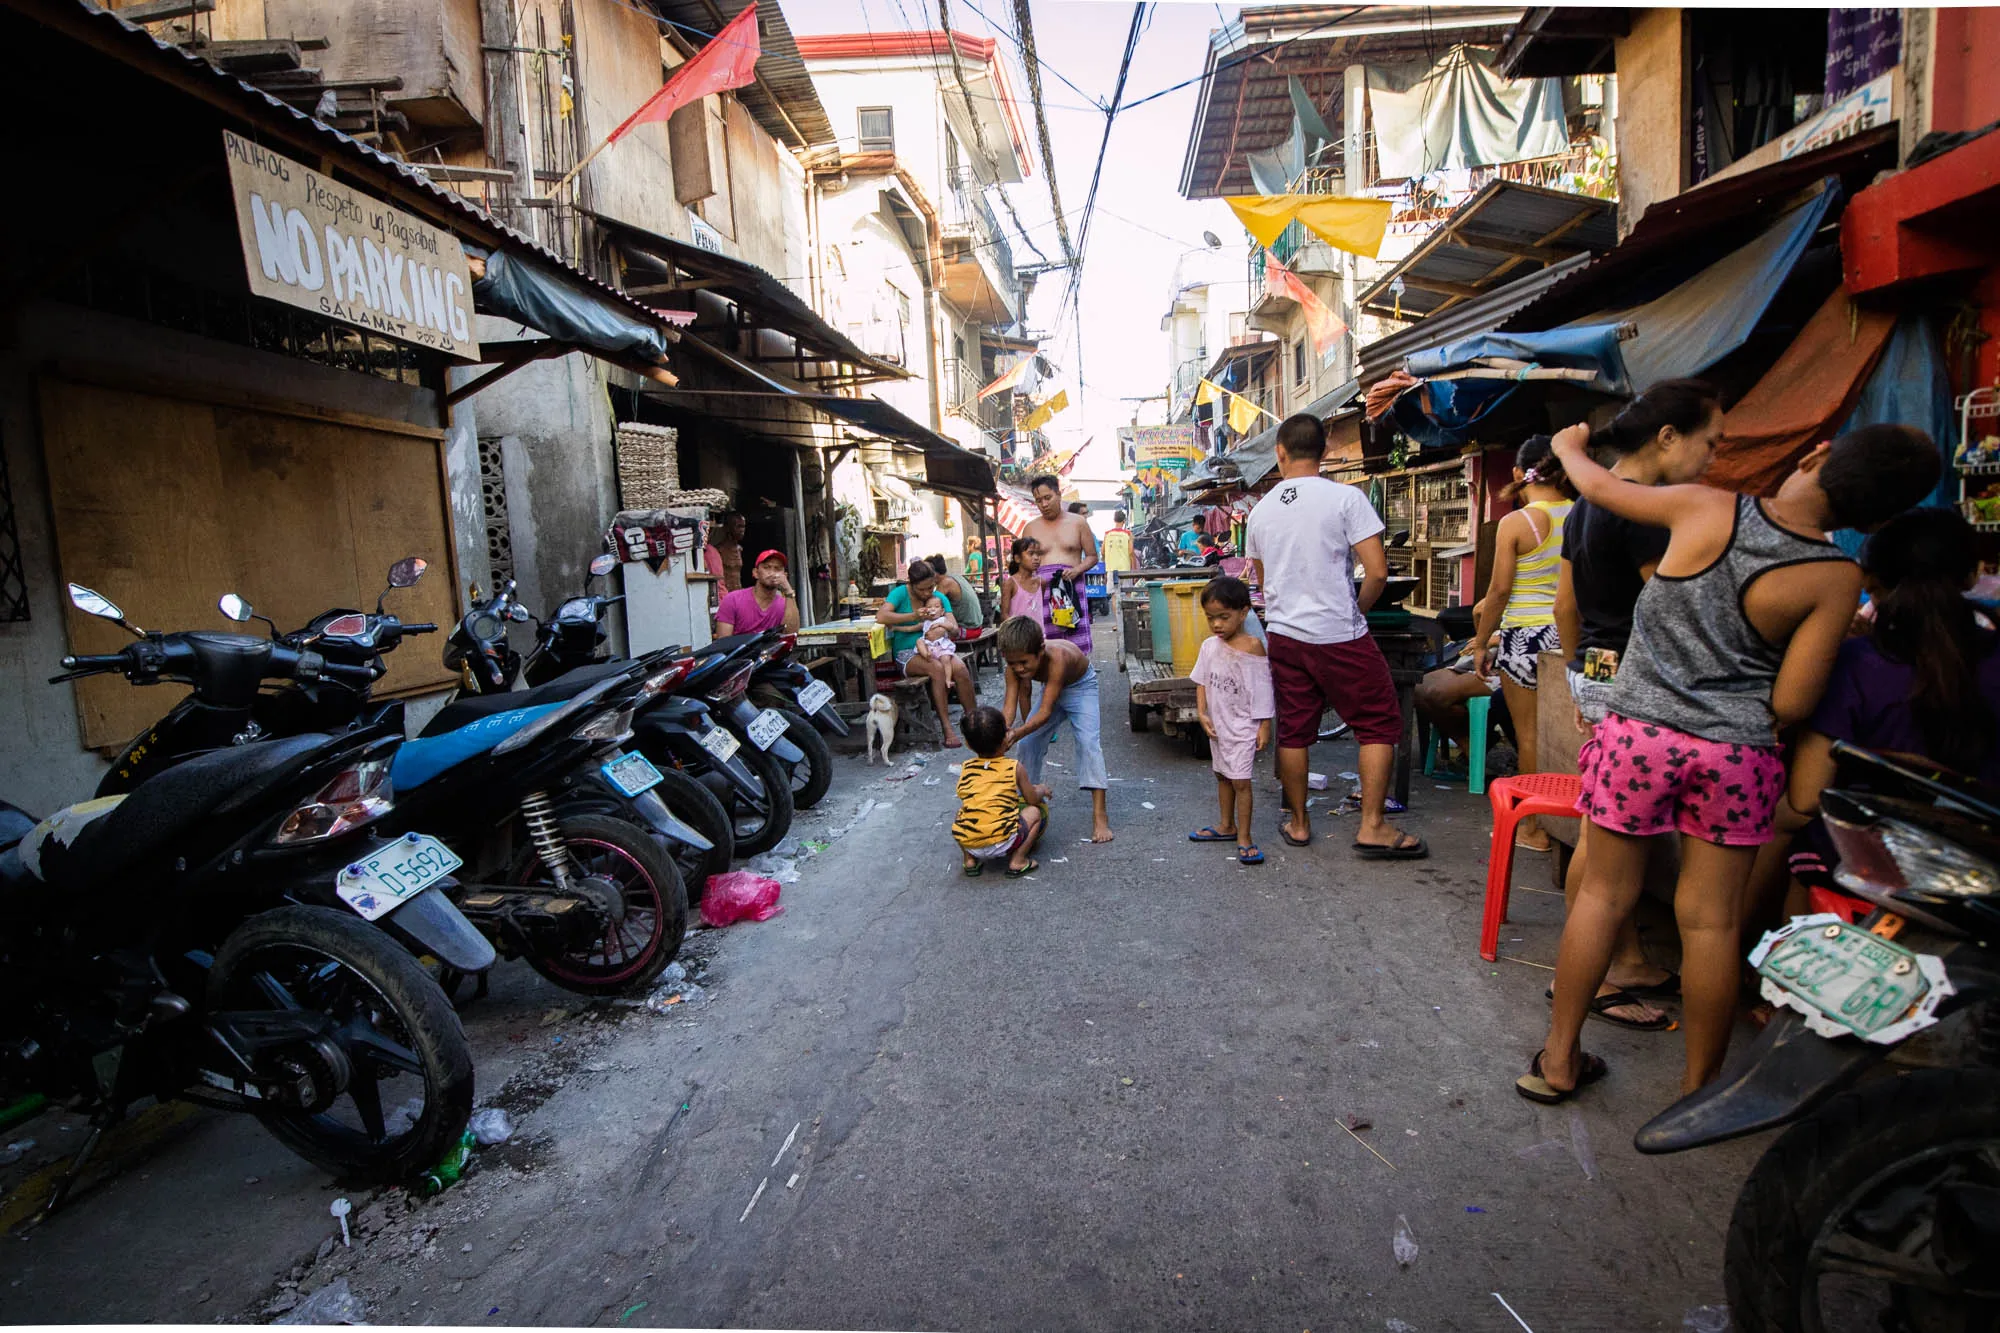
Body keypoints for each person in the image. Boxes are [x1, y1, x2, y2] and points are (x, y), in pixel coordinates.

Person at [1520, 421, 1942, 1104]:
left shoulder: (1707, 505)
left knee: (1601, 894)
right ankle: (1698, 1092)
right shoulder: (1836, 576)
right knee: (1710, 922)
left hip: (1637, 738)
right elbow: (1794, 698)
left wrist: (1567, 448)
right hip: (1736, 753)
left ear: (1815, 454)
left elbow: (1599, 485)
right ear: (1879, 516)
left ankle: (1559, 1060)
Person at [1552, 379, 1724, 1030]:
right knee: (1608, 851)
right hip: (1639, 682)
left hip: (1599, 671)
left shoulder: (1585, 506)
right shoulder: (1646, 508)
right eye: (1711, 442)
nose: (1712, 457)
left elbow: (1567, 608)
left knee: (1602, 839)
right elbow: (1669, 609)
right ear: (1669, 437)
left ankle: (1607, 958)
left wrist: (1581, 682)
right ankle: (1613, 965)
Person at [1245, 413, 1423, 859]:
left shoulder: (1261, 511)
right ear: (1324, 452)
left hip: (1285, 634)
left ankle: (1300, 824)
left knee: (1295, 731)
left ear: (1279, 454)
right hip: (1339, 633)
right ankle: (1373, 827)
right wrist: (1356, 611)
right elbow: (1378, 573)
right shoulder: (1347, 498)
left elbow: (1264, 585)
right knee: (1379, 722)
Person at [1471, 436, 1576, 853]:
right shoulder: (1582, 513)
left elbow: (1498, 591)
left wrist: (1481, 642)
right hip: (1568, 635)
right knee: (1569, 734)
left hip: (1524, 637)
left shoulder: (1518, 523)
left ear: (1519, 474)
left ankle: (1532, 827)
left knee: (1530, 734)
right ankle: (1569, 819)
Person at [999, 614, 1113, 843]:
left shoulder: (1057, 658)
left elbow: (1044, 713)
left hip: (1081, 686)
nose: (1019, 669)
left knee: (1088, 743)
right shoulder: (1013, 666)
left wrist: (1017, 732)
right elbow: (1009, 707)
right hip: (1051, 687)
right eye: (1013, 664)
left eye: (1024, 663)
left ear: (1040, 651)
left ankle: (1100, 816)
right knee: (1028, 744)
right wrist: (1001, 733)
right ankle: (1026, 800)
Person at [1187, 576, 1274, 866]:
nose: (1217, 625)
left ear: (1243, 612)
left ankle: (1245, 837)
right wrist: (1202, 713)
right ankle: (1226, 825)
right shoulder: (1209, 646)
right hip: (1219, 726)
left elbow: (1262, 689)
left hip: (1242, 727)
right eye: (1211, 618)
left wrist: (1264, 724)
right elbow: (1200, 681)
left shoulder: (1252, 648)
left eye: (1224, 617)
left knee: (1241, 782)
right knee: (1222, 775)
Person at [876, 559, 977, 748]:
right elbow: (881, 616)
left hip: (937, 647)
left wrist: (943, 628)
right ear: (911, 584)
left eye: (930, 587)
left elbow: (954, 628)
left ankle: (975, 721)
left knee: (961, 669)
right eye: (922, 589)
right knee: (937, 669)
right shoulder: (900, 594)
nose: (927, 593)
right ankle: (946, 728)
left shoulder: (938, 597)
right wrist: (913, 616)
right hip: (907, 651)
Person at [952, 705, 1051, 878]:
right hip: (1004, 842)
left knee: (962, 814)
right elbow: (1032, 799)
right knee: (1035, 812)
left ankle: (969, 860)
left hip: (969, 842)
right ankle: (1018, 860)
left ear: (967, 744)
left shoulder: (966, 768)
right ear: (1006, 737)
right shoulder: (1014, 767)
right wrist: (1042, 790)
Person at [1023, 475, 1098, 653]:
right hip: (1042, 593)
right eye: (1038, 500)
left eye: (1047, 498)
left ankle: (1081, 678)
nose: (1044, 504)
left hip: (1073, 589)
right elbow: (1022, 564)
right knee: (1046, 647)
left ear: (1059, 494)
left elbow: (1092, 556)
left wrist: (1077, 570)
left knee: (1076, 648)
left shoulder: (1078, 523)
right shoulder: (1030, 528)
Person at [714, 549, 801, 637]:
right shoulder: (733, 599)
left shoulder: (786, 605)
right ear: (755, 573)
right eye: (766, 567)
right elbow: (723, 642)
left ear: (785, 576)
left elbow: (791, 635)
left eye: (777, 569)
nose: (772, 573)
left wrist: (788, 591)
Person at [926, 554, 983, 631]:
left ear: (935, 574)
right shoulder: (955, 576)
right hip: (977, 625)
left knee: (931, 631)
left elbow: (931, 604)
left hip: (969, 629)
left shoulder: (945, 583)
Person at [1002, 536, 1047, 624]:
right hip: (1018, 636)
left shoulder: (1041, 582)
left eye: (1038, 554)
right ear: (1017, 558)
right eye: (1031, 553)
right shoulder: (1010, 583)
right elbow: (1004, 615)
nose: (1036, 558)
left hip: (1038, 635)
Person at [712, 512, 748, 592]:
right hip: (726, 593)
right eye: (738, 526)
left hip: (738, 592)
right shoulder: (719, 550)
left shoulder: (739, 549)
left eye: (743, 526)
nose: (742, 530)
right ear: (728, 528)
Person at [1102, 510, 1135, 574]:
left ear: (1114, 520)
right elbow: (1131, 552)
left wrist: (1105, 564)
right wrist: (1134, 569)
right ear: (1124, 521)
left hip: (1110, 570)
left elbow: (1103, 552)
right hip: (1125, 570)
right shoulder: (1128, 534)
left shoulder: (1107, 534)